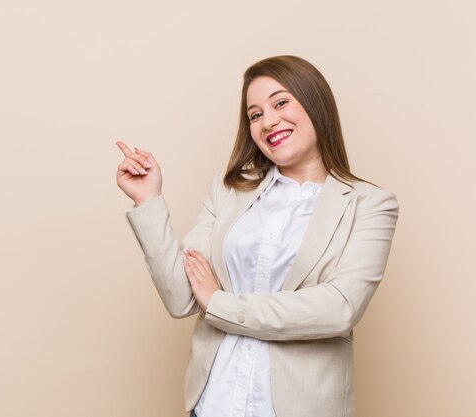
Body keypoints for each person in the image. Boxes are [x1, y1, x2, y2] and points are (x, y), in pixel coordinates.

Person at [115, 55, 399, 417]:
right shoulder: (229, 190)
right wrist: (148, 200)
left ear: (315, 104)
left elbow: (338, 308)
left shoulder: (370, 204)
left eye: (280, 103)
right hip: (214, 401)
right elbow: (181, 298)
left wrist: (219, 303)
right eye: (255, 114)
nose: (268, 121)